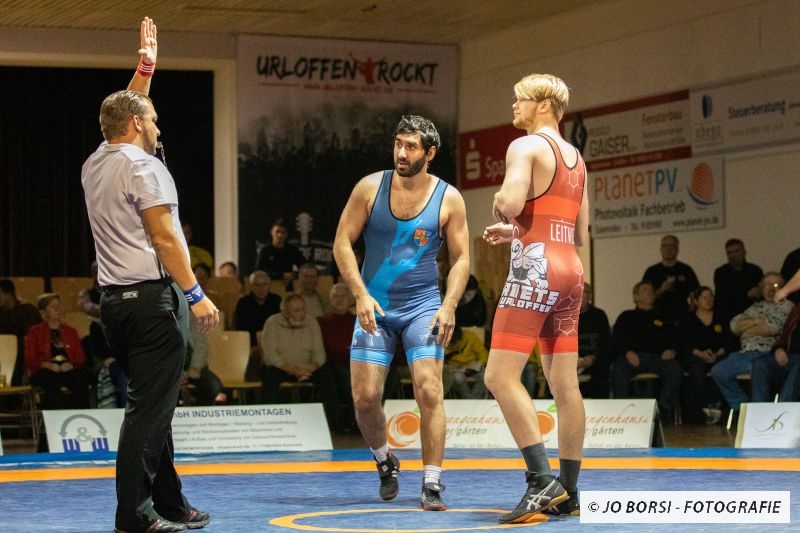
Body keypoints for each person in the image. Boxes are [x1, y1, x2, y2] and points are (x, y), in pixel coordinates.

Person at [80, 17, 218, 533]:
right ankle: (133, 515)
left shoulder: (96, 163)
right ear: (138, 125)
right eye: (153, 120)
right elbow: (164, 238)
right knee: (147, 413)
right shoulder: (146, 167)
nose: (158, 127)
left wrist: (145, 69)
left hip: (116, 306)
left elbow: (124, 109)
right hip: (153, 303)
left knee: (155, 407)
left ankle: (169, 502)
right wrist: (197, 294)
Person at [333, 114, 469, 511]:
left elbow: (461, 258)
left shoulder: (449, 198)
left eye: (411, 146)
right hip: (374, 304)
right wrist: (359, 295)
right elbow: (342, 242)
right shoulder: (369, 188)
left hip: (423, 307)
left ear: (430, 153)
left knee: (429, 389)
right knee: (365, 397)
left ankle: (432, 482)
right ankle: (384, 460)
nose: (402, 153)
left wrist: (449, 305)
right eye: (398, 144)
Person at [482, 73, 588, 522]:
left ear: (543, 104)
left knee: (498, 376)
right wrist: (517, 233)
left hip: (536, 272)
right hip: (570, 272)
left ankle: (541, 480)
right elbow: (577, 232)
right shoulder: (577, 159)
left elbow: (510, 202)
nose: (513, 106)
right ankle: (570, 491)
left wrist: (502, 205)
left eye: (519, 99)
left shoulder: (525, 146)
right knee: (565, 385)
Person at [710, 272, 791, 418]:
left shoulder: (787, 306)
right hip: (745, 353)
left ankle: (758, 415)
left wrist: (746, 331)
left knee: (760, 372)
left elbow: (772, 328)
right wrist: (758, 322)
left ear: (783, 288)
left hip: (767, 354)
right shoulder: (755, 307)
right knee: (718, 371)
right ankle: (744, 410)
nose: (771, 288)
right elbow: (734, 325)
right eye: (767, 285)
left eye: (776, 285)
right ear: (761, 287)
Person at [259, 294, 341, 428]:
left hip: (307, 368)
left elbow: (319, 352)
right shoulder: (272, 323)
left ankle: (336, 423)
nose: (301, 314)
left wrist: (311, 367)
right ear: (285, 312)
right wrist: (292, 369)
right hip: (282, 368)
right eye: (296, 310)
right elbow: (270, 355)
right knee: (269, 375)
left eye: (303, 309)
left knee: (327, 374)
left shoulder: (312, 322)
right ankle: (270, 423)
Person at [610, 281, 683, 415]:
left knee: (675, 369)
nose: (650, 293)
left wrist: (672, 349)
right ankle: (621, 411)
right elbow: (618, 338)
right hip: (633, 358)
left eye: (651, 290)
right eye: (645, 290)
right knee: (619, 369)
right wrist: (627, 352)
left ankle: (662, 409)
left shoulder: (663, 317)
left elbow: (675, 338)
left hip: (658, 358)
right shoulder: (626, 316)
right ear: (635, 297)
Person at [24, 293, 91, 410]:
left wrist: (71, 364)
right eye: (53, 307)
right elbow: (29, 358)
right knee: (51, 381)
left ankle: (82, 415)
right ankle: (55, 417)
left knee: (80, 379)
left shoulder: (71, 331)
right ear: (43, 312)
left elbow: (81, 357)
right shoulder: (34, 332)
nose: (58, 310)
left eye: (59, 306)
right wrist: (47, 365)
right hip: (45, 370)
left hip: (66, 368)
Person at [77, 261, 127, 408]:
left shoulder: (117, 292)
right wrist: (108, 310)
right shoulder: (86, 294)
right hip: (102, 355)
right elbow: (86, 307)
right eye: (96, 272)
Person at [677, 286, 727, 424]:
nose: (709, 300)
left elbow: (728, 340)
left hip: (718, 354)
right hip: (695, 355)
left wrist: (717, 353)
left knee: (722, 368)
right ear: (696, 301)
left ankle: (717, 406)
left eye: (711, 297)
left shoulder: (721, 317)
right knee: (696, 368)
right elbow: (684, 342)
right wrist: (701, 354)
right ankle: (701, 409)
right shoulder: (688, 319)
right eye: (705, 298)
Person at [317, 283, 357, 431]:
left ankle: (363, 418)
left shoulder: (359, 320)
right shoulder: (320, 321)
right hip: (332, 362)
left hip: (357, 360)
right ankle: (352, 419)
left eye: (343, 296)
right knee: (345, 374)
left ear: (350, 299)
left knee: (389, 375)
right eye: (335, 296)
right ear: (330, 300)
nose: (339, 299)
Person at [713, 239, 763, 349]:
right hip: (728, 318)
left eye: (736, 251)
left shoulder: (755, 271)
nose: (733, 255)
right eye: (729, 253)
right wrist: (746, 294)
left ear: (744, 252)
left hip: (751, 318)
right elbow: (724, 295)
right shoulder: (721, 273)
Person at [641, 234, 700, 326]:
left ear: (677, 249)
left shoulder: (686, 270)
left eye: (672, 246)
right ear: (660, 249)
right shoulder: (652, 271)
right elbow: (644, 298)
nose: (668, 249)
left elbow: (695, 294)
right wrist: (661, 290)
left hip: (681, 317)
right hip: (657, 318)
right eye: (664, 246)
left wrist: (691, 310)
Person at [234, 270, 282, 379]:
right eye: (257, 285)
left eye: (264, 284)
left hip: (273, 344)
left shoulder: (276, 301)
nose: (261, 289)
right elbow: (240, 330)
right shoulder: (243, 303)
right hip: (250, 347)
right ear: (251, 286)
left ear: (269, 285)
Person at [751, 298, 800, 403]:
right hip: (790, 356)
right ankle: (759, 408)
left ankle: (782, 410)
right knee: (760, 365)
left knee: (797, 370)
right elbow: (785, 333)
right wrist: (779, 349)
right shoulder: (798, 308)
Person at [0, 278, 42, 385]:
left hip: (22, 352)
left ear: (8, 294)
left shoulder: (27, 310)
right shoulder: (1, 313)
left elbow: (34, 336)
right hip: (5, 351)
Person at [577, 283, 612, 399]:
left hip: (594, 359)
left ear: (590, 296)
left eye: (584, 292)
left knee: (602, 369)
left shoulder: (599, 315)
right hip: (571, 360)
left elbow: (606, 343)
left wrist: (592, 358)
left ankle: (599, 407)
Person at [254, 219, 306, 285]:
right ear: (271, 233)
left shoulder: (292, 250)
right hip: (269, 285)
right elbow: (259, 271)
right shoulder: (265, 250)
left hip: (288, 285)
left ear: (286, 234)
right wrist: (281, 275)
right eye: (277, 232)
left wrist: (293, 275)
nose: (280, 235)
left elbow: (305, 268)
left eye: (283, 232)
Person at [443, 325, 488, 399]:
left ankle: (474, 398)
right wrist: (450, 363)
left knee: (484, 376)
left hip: (472, 365)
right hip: (455, 368)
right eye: (450, 345)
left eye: (454, 344)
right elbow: (441, 359)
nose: (452, 347)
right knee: (458, 378)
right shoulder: (444, 341)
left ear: (460, 339)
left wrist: (479, 364)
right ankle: (466, 397)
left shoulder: (471, 337)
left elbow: (483, 354)